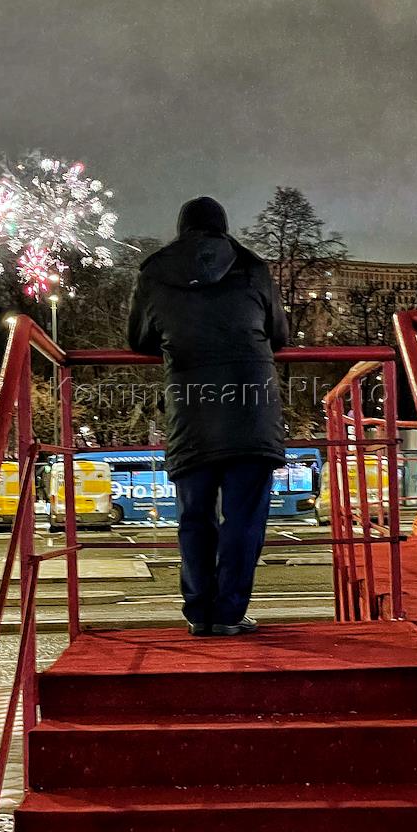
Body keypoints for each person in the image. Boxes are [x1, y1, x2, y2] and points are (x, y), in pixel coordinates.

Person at [128, 196, 289, 635]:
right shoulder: (252, 266)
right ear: (223, 227)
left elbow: (139, 338)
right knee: (244, 518)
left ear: (182, 229)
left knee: (195, 517)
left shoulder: (155, 271)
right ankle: (229, 614)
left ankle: (200, 613)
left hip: (190, 411)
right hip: (252, 409)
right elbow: (278, 334)